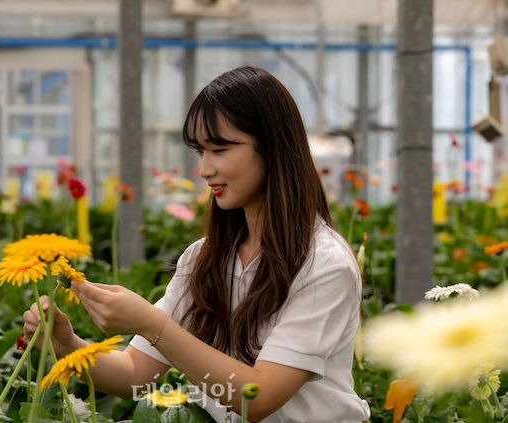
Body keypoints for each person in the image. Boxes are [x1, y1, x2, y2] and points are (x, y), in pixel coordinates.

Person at [23, 66, 371, 422]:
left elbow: (260, 397)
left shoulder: (325, 264)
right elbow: (135, 375)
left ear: (273, 148)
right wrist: (68, 345)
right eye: (199, 151)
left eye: (219, 149)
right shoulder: (204, 258)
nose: (204, 169)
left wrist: (151, 324)